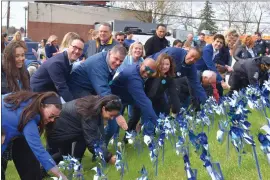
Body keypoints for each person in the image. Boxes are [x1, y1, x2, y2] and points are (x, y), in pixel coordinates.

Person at [1, 91, 67, 180]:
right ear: (42, 106)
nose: (52, 120)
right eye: (51, 116)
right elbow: (39, 150)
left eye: (55, 117)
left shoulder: (28, 100)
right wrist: (61, 175)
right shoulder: (29, 120)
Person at [47, 95, 122, 165]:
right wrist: (108, 157)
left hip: (63, 126)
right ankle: (42, 170)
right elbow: (92, 141)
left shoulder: (96, 104)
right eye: (111, 115)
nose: (112, 118)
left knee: (80, 141)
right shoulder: (90, 113)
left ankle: (76, 165)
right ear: (104, 109)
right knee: (64, 155)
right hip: (58, 129)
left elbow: (95, 134)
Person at [1, 40, 30, 180]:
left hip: (16, 124)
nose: (21, 59)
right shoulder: (2, 75)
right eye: (17, 56)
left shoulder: (23, 72)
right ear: (9, 58)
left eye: (22, 55)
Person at [111, 58, 158, 136]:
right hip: (114, 98)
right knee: (112, 126)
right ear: (141, 64)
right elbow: (145, 102)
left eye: (151, 72)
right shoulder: (134, 77)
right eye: (146, 69)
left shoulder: (137, 69)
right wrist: (157, 122)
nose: (147, 73)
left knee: (138, 110)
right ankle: (103, 143)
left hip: (126, 96)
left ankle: (128, 134)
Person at [30, 37, 85, 102]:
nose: (77, 51)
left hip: (51, 90)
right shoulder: (57, 63)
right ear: (69, 47)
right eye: (75, 47)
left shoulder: (68, 60)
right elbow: (62, 88)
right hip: (39, 93)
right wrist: (74, 105)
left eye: (80, 49)